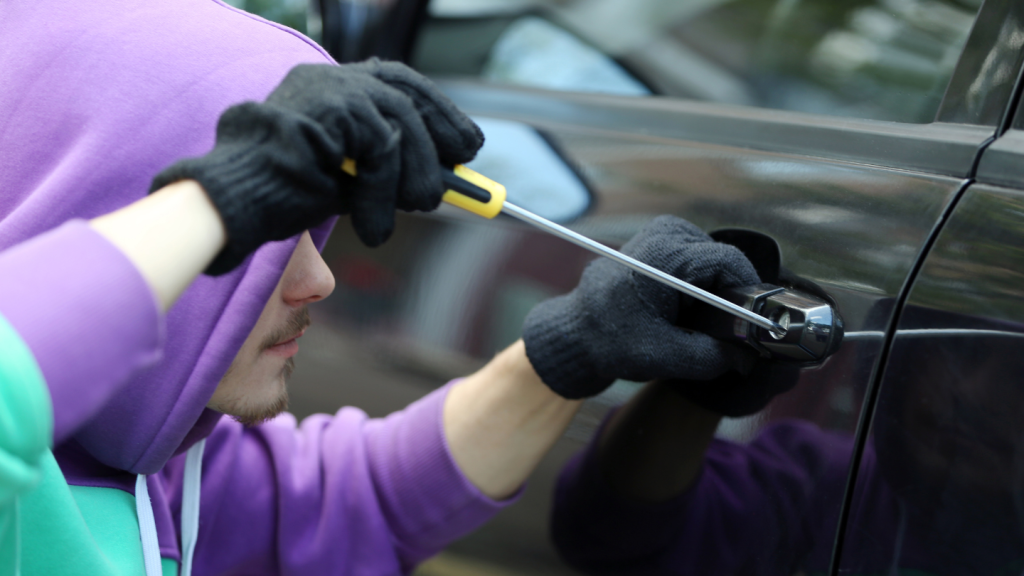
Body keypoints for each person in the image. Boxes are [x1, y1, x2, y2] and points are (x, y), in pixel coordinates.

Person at [0, 1, 761, 574]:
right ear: (88, 205)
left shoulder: (160, 469)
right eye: (261, 232)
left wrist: (570, 349)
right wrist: (212, 201)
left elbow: (347, 498)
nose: (317, 280)